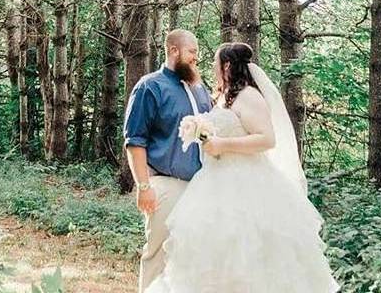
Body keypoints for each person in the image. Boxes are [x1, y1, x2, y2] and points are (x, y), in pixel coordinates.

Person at [145, 42, 339, 293]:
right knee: (211, 253)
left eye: (216, 63)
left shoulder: (249, 95)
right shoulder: (224, 97)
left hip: (246, 183)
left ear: (227, 65)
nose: (212, 68)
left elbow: (267, 139)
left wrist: (222, 144)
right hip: (214, 183)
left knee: (246, 253)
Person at [123, 29, 212, 293]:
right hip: (165, 185)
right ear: (174, 50)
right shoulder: (150, 86)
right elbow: (135, 140)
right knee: (158, 256)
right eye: (192, 52)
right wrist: (144, 187)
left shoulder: (199, 90)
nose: (197, 58)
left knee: (193, 259)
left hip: (201, 187)